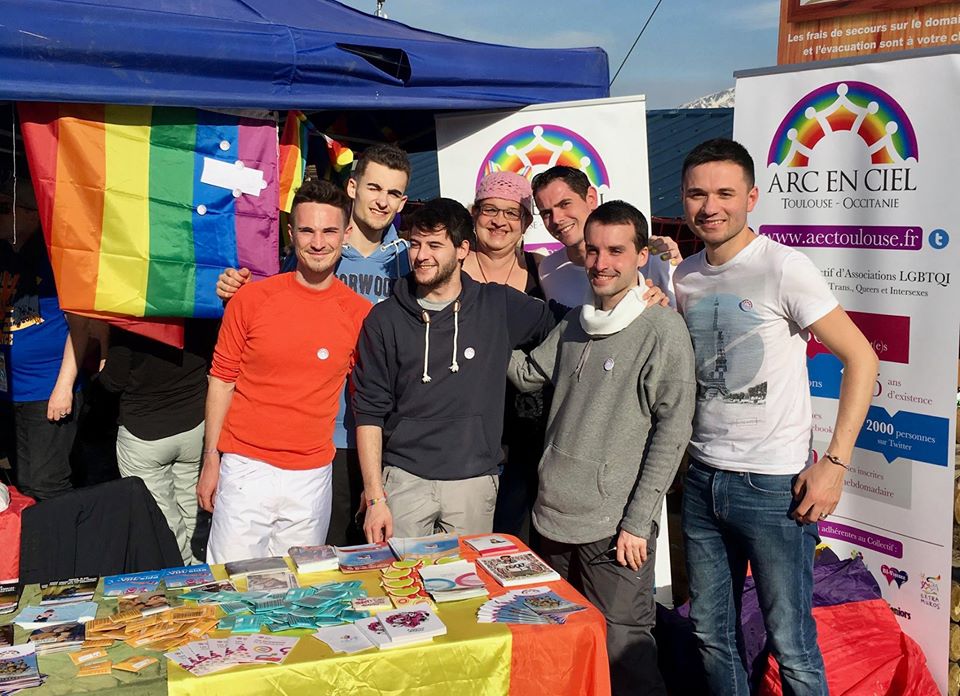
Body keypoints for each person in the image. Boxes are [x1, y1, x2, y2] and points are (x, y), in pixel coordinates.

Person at [673, 138, 877, 695]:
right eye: (697, 193)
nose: (709, 206)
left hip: (772, 487)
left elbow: (862, 357)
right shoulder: (683, 278)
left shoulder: (784, 266)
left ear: (752, 197)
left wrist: (835, 463)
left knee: (791, 643)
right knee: (712, 635)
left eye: (724, 193)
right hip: (701, 480)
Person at [508, 200, 695, 696]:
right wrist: (472, 328)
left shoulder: (661, 328)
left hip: (614, 529)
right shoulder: (575, 322)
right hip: (554, 517)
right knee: (567, 649)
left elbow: (672, 432)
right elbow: (529, 376)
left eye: (616, 250)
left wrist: (637, 521)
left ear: (640, 256)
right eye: (593, 250)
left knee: (625, 657)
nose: (601, 262)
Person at [215, 143, 411, 546]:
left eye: (393, 193)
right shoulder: (314, 245)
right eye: (375, 187)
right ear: (354, 187)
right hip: (317, 437)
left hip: (370, 430)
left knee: (349, 557)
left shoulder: (408, 258)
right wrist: (229, 290)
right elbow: (267, 299)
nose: (382, 200)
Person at [352, 198, 555, 542]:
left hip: (474, 483)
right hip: (403, 481)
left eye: (434, 245)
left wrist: (638, 293)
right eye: (415, 244)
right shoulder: (384, 319)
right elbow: (369, 412)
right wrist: (374, 497)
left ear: (462, 249)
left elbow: (565, 327)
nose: (421, 255)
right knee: (402, 588)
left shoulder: (498, 305)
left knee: (466, 590)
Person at [197, 180, 372, 563]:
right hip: (244, 468)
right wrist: (211, 459)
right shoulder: (251, 300)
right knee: (230, 587)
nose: (318, 242)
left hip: (311, 474)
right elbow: (222, 379)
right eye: (307, 230)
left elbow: (369, 401)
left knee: (298, 593)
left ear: (346, 235)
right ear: (291, 234)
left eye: (328, 231)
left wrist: (373, 486)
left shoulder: (359, 314)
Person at [0, 177, 101, 501]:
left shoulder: (55, 257)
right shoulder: (4, 252)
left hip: (47, 390)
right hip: (11, 389)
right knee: (23, 480)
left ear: (29, 214)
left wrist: (63, 388)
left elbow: (82, 324)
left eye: (5, 207)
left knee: (47, 483)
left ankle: (63, 548)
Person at [460, 171, 548, 545]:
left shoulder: (544, 269)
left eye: (512, 213)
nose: (500, 221)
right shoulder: (451, 265)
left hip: (524, 432)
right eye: (490, 210)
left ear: (526, 222)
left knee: (515, 542)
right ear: (474, 213)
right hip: (463, 428)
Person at [98, 320, 219, 565]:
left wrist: (103, 344)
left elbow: (113, 381)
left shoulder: (128, 322)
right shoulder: (199, 314)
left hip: (144, 434)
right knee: (194, 506)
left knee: (162, 517)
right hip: (195, 426)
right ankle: (200, 569)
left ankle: (181, 574)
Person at [531, 165, 682, 312]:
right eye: (546, 213)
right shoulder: (547, 270)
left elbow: (682, 322)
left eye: (565, 204)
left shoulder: (656, 258)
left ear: (591, 198)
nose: (556, 219)